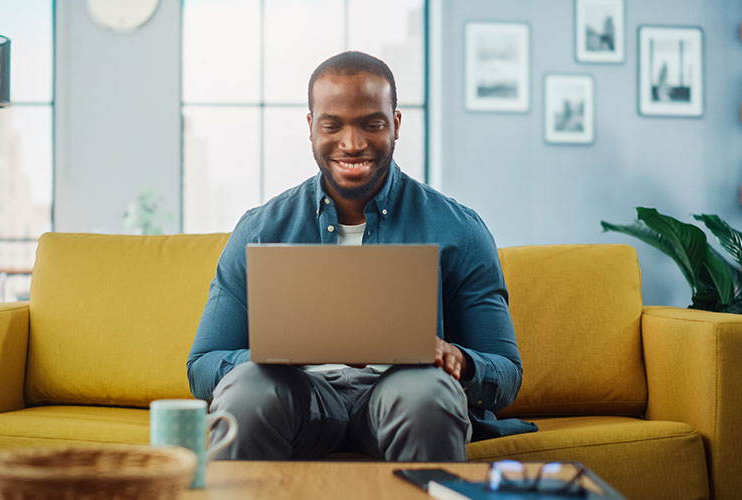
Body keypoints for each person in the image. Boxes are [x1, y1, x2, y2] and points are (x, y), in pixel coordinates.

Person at [186, 51, 536, 462]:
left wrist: (459, 360)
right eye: (332, 125)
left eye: (372, 124)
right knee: (247, 391)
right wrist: (280, 354)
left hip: (403, 400)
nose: (352, 144)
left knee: (427, 394)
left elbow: (506, 373)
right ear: (311, 127)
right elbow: (203, 366)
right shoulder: (260, 230)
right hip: (299, 400)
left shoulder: (458, 229)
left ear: (396, 125)